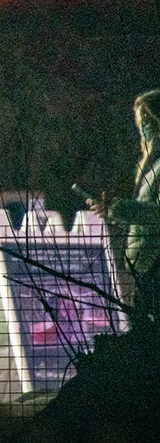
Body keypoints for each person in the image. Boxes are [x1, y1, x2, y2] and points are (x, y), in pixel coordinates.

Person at [91, 89, 160, 328]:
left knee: (144, 331)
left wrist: (119, 207)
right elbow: (144, 214)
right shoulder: (150, 168)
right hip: (145, 262)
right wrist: (112, 211)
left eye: (147, 121)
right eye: (141, 122)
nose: (143, 129)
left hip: (155, 263)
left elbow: (156, 214)